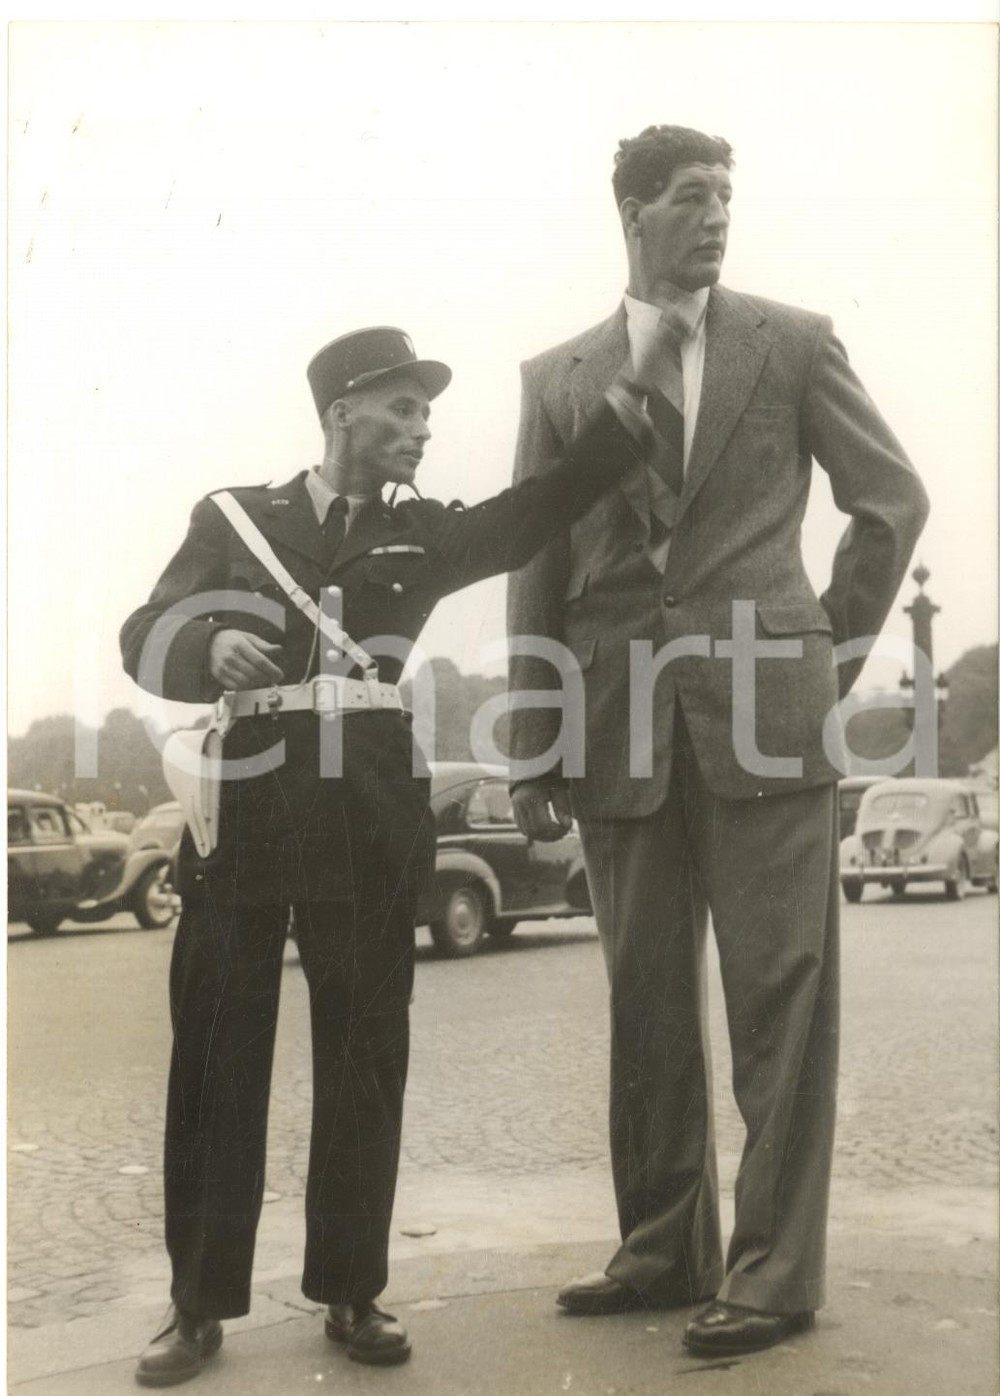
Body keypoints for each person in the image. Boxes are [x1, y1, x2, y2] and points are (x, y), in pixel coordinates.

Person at [121, 324, 666, 1387]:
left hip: (368, 810)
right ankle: (197, 1305)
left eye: (427, 414)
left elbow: (534, 512)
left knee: (365, 1051)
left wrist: (623, 413)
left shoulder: (424, 532)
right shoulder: (234, 518)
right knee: (217, 1051)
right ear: (342, 413)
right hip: (246, 806)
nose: (423, 430)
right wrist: (203, 646)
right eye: (404, 410)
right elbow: (141, 630)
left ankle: (351, 1290)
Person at [506, 126, 929, 1358]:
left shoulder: (790, 343)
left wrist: (820, 651)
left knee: (780, 1004)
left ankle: (774, 1274)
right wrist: (533, 741)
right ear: (633, 213)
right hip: (614, 728)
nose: (716, 216)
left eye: (726, 197)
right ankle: (660, 1249)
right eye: (691, 197)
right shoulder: (556, 376)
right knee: (642, 1000)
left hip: (768, 721)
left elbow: (890, 500)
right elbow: (537, 564)